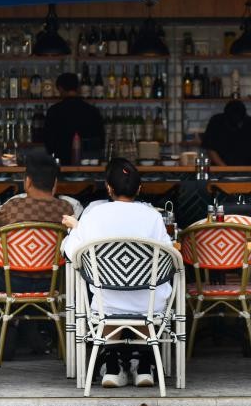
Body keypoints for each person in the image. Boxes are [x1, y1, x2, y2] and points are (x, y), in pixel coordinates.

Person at [61, 158, 172, 388]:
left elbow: (73, 254)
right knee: (144, 297)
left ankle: (112, 367)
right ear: (139, 188)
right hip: (148, 303)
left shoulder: (94, 215)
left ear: (108, 187)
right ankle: (143, 367)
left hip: (106, 303)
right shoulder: (152, 216)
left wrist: (77, 229)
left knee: (109, 298)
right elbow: (168, 256)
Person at [0, 151, 74, 291]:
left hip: (8, 282)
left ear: (28, 181)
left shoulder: (12, 207)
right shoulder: (66, 209)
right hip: (52, 282)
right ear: (55, 183)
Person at [43, 72, 104, 164]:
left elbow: (48, 142)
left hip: (62, 163)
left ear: (60, 88)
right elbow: (100, 141)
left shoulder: (54, 111)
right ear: (78, 88)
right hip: (88, 164)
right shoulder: (92, 111)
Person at [200, 100, 251, 166]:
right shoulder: (216, 122)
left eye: (239, 123)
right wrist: (224, 169)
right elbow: (210, 149)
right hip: (219, 169)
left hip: (248, 168)